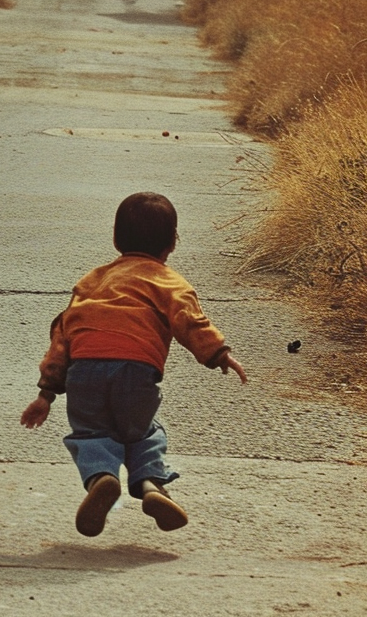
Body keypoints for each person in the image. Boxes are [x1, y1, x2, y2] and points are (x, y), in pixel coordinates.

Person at [20, 191, 247, 538]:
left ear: (116, 239)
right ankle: (151, 486)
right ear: (172, 243)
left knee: (92, 433)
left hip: (83, 371)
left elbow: (62, 333)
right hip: (136, 371)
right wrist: (218, 353)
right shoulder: (169, 282)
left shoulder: (91, 282)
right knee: (143, 432)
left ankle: (102, 478)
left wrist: (46, 393)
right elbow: (190, 320)